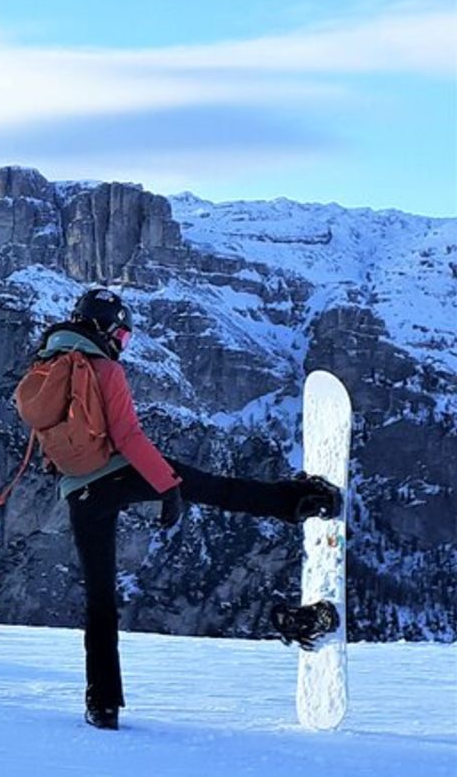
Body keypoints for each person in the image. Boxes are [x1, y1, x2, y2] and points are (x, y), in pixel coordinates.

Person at [35, 288, 341, 731]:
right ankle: (300, 501)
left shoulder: (46, 363)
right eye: (122, 333)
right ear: (105, 328)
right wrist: (168, 488)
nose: (123, 342)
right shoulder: (103, 368)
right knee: (214, 488)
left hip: (78, 491)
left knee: (99, 602)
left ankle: (102, 704)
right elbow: (129, 438)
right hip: (120, 471)